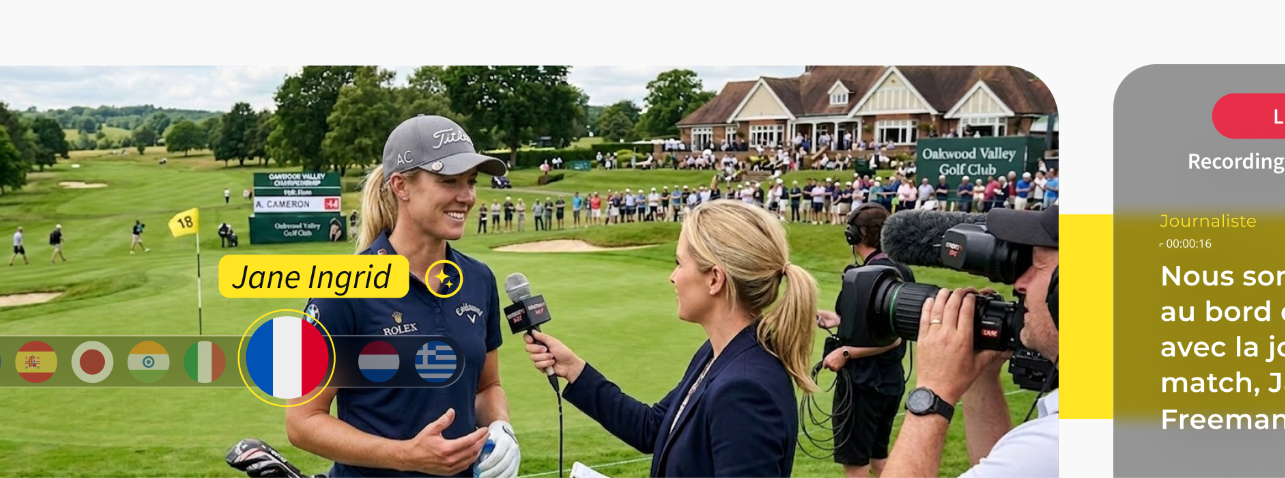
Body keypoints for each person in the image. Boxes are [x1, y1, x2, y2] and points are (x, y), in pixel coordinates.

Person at [288, 115, 520, 478]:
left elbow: (487, 387)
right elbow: (302, 421)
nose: (467, 196)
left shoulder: (478, 279)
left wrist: (500, 427)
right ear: (401, 186)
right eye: (449, 181)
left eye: (471, 182)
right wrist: (407, 456)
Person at [522, 200, 820, 478]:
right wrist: (574, 369)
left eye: (679, 263)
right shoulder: (718, 353)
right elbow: (652, 428)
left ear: (715, 279)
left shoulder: (744, 389)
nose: (672, 277)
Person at [879, 206, 1060, 478]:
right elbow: (999, 464)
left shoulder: (1052, 447)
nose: (1020, 284)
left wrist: (932, 393)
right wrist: (982, 377)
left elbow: (1032, 460)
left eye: (1037, 266)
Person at [817, 203, 909, 478]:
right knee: (879, 458)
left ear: (854, 235)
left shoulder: (860, 276)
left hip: (863, 385)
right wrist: (838, 320)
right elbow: (885, 325)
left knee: (856, 465)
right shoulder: (902, 270)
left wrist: (845, 354)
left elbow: (893, 338)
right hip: (891, 381)